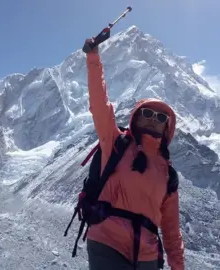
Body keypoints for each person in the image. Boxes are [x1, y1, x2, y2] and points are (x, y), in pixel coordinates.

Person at [83, 38, 185, 270]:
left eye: (161, 117)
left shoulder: (168, 173)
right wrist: (93, 59)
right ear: (136, 116)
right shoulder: (116, 142)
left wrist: (178, 266)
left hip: (147, 252)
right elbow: (100, 105)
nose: (153, 118)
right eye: (147, 112)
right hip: (107, 240)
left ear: (167, 127)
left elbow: (171, 229)